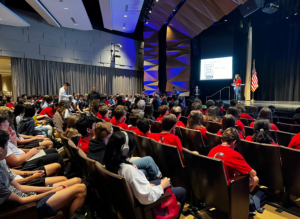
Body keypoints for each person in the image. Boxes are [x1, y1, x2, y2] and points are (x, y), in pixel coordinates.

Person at [0, 130, 87, 219]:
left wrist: (52, 188)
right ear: (0, 150)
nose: (8, 149)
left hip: (30, 196)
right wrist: (52, 191)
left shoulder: (1, 161)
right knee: (81, 189)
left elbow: (20, 187)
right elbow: (21, 201)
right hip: (26, 208)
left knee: (78, 180)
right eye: (7, 146)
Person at [104, 131, 186, 216]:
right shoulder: (129, 170)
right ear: (125, 150)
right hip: (143, 204)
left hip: (131, 198)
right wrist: (161, 186)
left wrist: (150, 185)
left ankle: (168, 208)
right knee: (182, 191)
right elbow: (147, 197)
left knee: (168, 183)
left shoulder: (110, 163)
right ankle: (169, 214)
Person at [208, 128, 259, 192]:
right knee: (256, 179)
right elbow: (253, 174)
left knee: (237, 172)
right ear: (234, 142)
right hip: (226, 187)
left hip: (212, 185)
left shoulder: (212, 150)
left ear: (222, 139)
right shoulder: (233, 154)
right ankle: (245, 197)